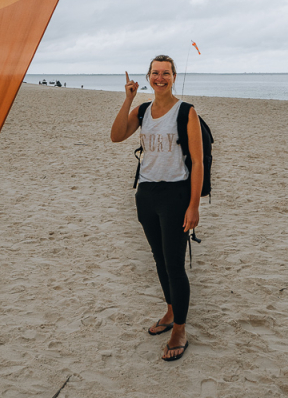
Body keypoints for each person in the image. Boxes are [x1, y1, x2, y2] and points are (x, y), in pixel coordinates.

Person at [110, 55, 203, 362]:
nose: (160, 77)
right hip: (147, 194)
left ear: (174, 76)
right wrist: (128, 99)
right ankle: (170, 310)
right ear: (148, 77)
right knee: (159, 258)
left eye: (165, 73)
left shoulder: (186, 112)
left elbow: (198, 162)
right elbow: (116, 135)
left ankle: (179, 328)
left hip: (176, 194)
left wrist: (194, 206)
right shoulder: (143, 111)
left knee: (174, 263)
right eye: (155, 73)